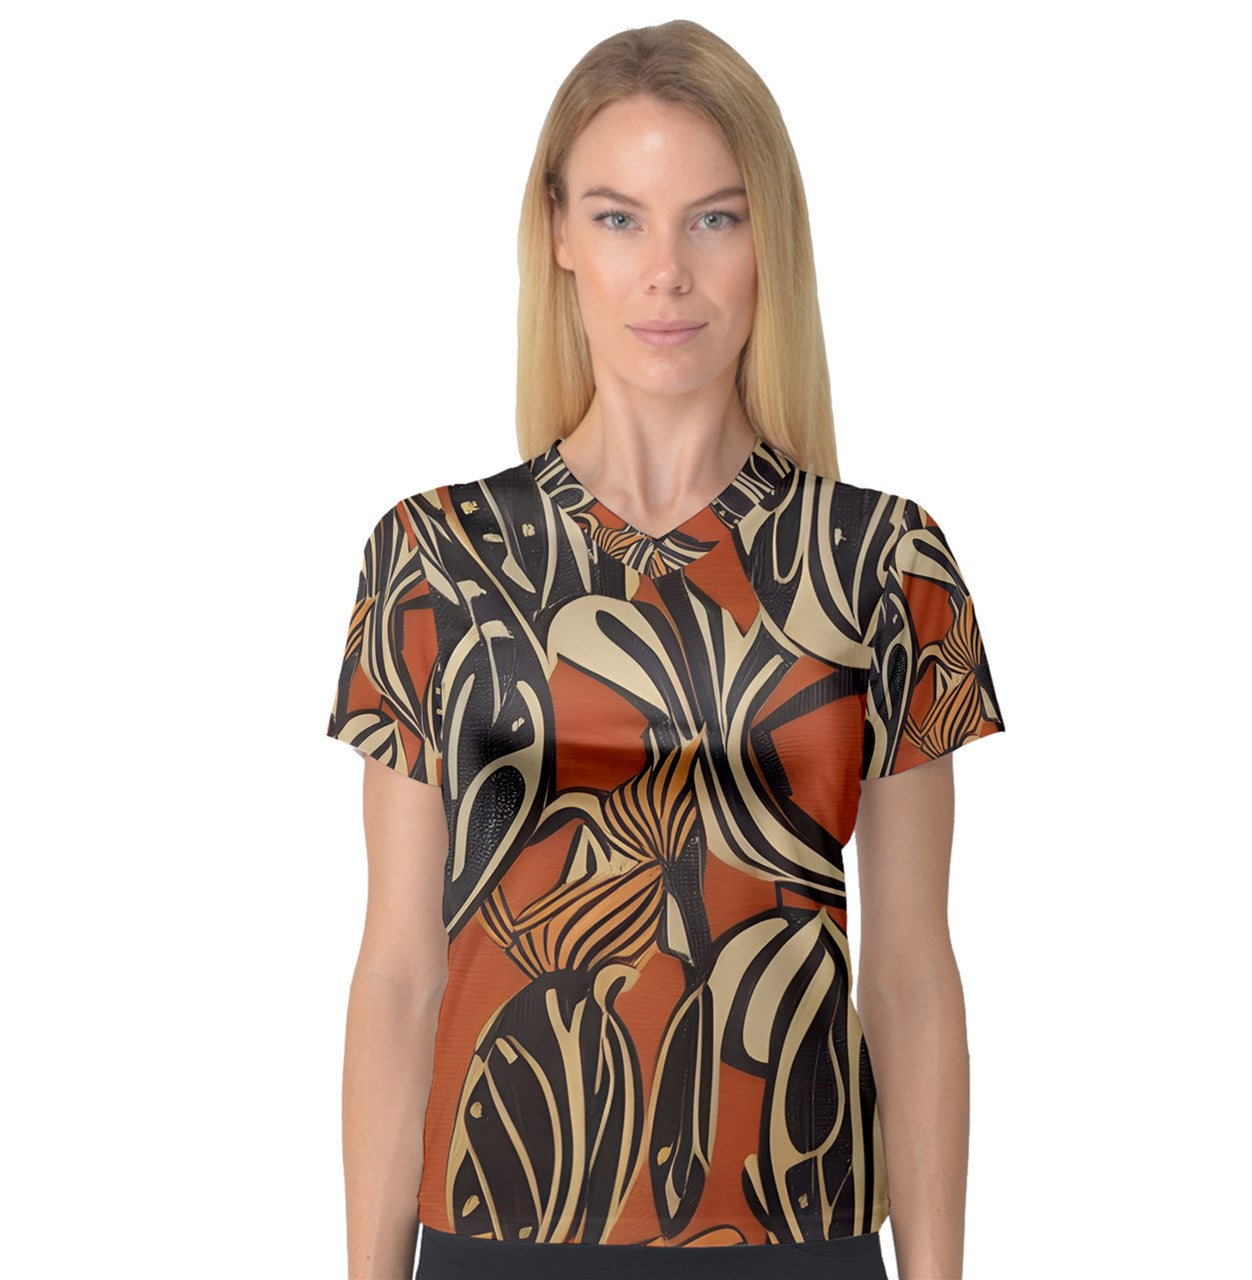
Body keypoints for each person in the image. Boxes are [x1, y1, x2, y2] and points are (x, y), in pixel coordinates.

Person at [326, 19, 1005, 1280]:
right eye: (619, 218)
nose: (666, 275)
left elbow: (912, 975)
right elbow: (399, 971)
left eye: (713, 219)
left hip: (796, 1232)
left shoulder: (880, 562)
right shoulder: (434, 558)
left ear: (768, 238)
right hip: (497, 1228)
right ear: (557, 235)